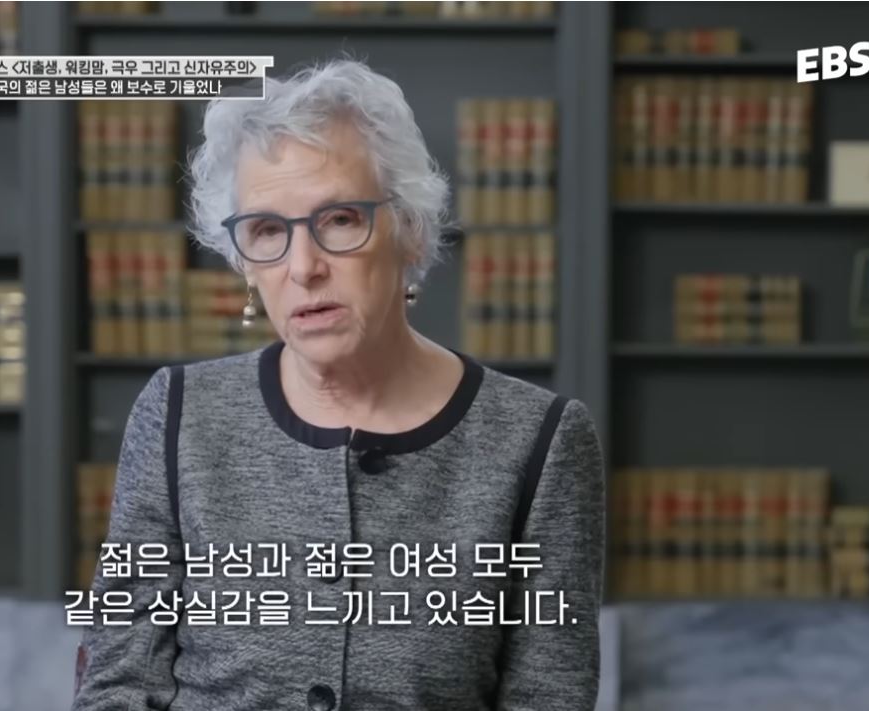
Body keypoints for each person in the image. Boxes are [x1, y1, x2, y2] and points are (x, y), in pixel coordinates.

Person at [72, 57, 605, 711]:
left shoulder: (541, 441)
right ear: (243, 264)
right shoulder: (179, 413)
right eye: (267, 230)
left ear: (409, 231)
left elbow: (549, 695)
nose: (303, 267)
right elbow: (119, 679)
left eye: (340, 219)